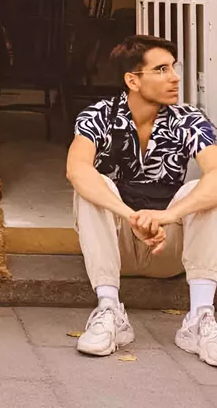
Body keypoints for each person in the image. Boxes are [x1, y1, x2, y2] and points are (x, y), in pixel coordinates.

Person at [67, 35, 217, 366]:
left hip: (169, 251)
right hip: (117, 248)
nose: (175, 77)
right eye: (161, 69)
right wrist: (130, 216)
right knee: (92, 183)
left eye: (173, 68)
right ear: (133, 80)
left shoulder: (188, 119)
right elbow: (76, 169)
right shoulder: (99, 116)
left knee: (202, 191)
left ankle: (201, 318)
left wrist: (165, 217)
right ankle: (109, 311)